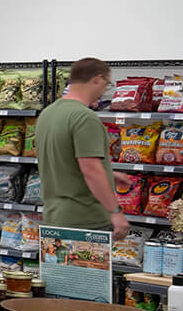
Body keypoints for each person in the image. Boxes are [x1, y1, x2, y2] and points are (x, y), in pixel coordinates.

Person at [34, 58, 129, 242]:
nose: (104, 91)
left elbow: (63, 161)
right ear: (98, 79)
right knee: (83, 264)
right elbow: (91, 170)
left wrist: (109, 174)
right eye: (107, 85)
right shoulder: (85, 117)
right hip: (86, 222)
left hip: (54, 219)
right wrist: (116, 212)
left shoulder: (47, 114)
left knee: (58, 262)